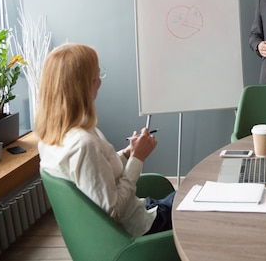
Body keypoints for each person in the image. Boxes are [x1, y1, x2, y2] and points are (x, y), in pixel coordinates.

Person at [35, 44, 174, 237]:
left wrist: (128, 153)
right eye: (95, 78)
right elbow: (114, 210)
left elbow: (95, 174)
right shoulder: (83, 144)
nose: (100, 83)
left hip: (142, 211)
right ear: (81, 88)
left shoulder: (52, 139)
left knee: (185, 197)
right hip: (143, 229)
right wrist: (138, 159)